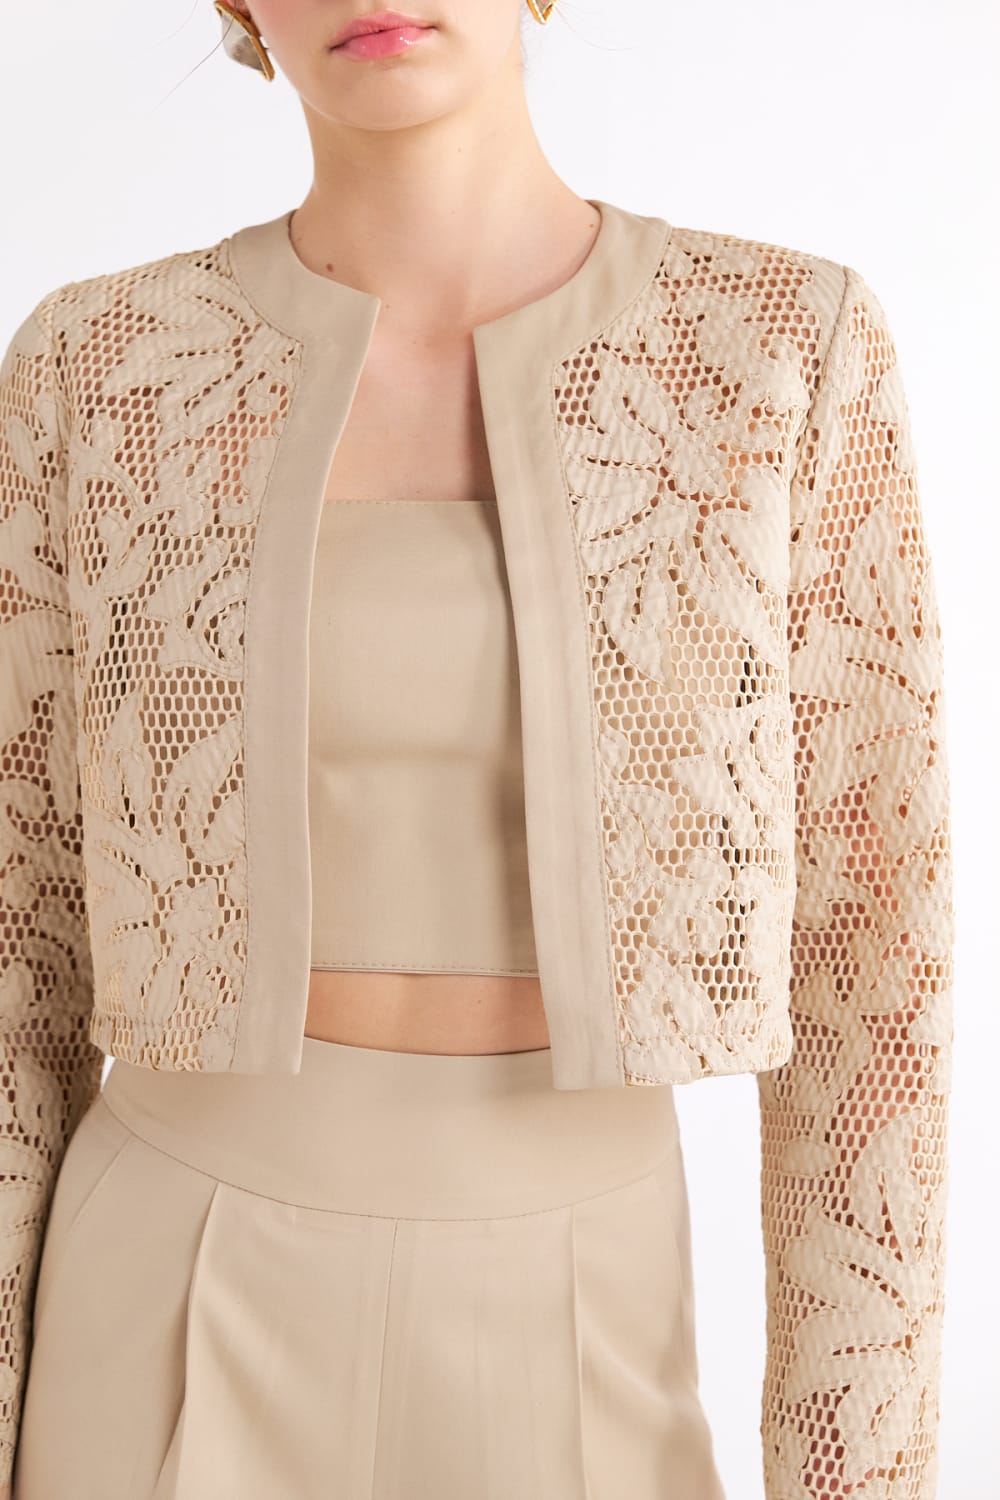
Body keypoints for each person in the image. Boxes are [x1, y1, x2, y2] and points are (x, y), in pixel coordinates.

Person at [0, 3, 954, 1497]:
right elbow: (20, 937)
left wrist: (860, 1476)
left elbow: (874, 965)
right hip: (162, 1290)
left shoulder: (778, 349)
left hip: (583, 1309)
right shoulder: (98, 368)